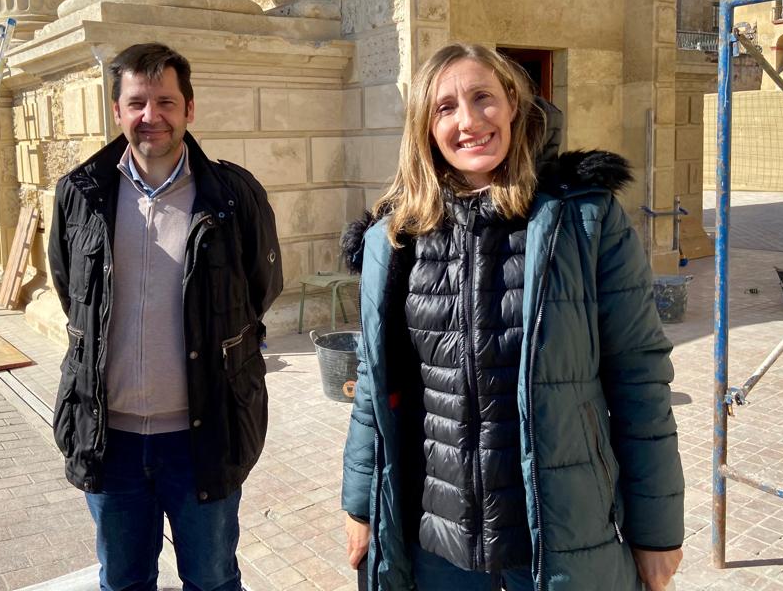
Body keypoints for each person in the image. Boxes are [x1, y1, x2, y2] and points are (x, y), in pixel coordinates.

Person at [340, 43, 684, 591]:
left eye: (483, 98)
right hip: (436, 536)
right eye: (445, 107)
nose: (469, 120)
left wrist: (657, 530)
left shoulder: (584, 220)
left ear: (516, 105)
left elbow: (639, 376)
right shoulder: (396, 237)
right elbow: (374, 386)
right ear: (426, 127)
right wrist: (361, 505)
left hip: (556, 531)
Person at [48, 42, 282, 591]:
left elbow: (259, 289)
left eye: (165, 102)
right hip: (113, 441)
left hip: (202, 438)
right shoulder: (80, 194)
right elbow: (72, 293)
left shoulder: (231, 195)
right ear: (117, 112)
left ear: (189, 110)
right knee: (124, 582)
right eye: (136, 103)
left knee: (212, 580)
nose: (150, 116)